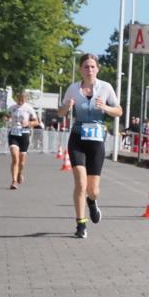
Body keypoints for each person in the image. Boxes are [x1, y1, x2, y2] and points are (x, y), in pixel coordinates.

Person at [58, 54, 122, 239]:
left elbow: (119, 111)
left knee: (93, 190)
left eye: (93, 66)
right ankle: (81, 224)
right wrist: (67, 107)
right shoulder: (73, 89)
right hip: (77, 139)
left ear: (97, 69)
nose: (89, 70)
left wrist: (106, 108)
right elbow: (60, 112)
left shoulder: (106, 88)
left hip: (96, 142)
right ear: (81, 69)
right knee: (80, 183)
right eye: (86, 67)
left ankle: (92, 202)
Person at [3, 90, 40, 189]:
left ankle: (20, 172)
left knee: (22, 162)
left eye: (22, 100)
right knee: (15, 157)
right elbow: (6, 116)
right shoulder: (12, 108)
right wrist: (6, 119)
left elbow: (36, 122)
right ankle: (14, 181)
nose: (20, 101)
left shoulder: (29, 108)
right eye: (19, 99)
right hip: (13, 134)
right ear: (16, 98)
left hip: (24, 134)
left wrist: (28, 123)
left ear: (25, 99)